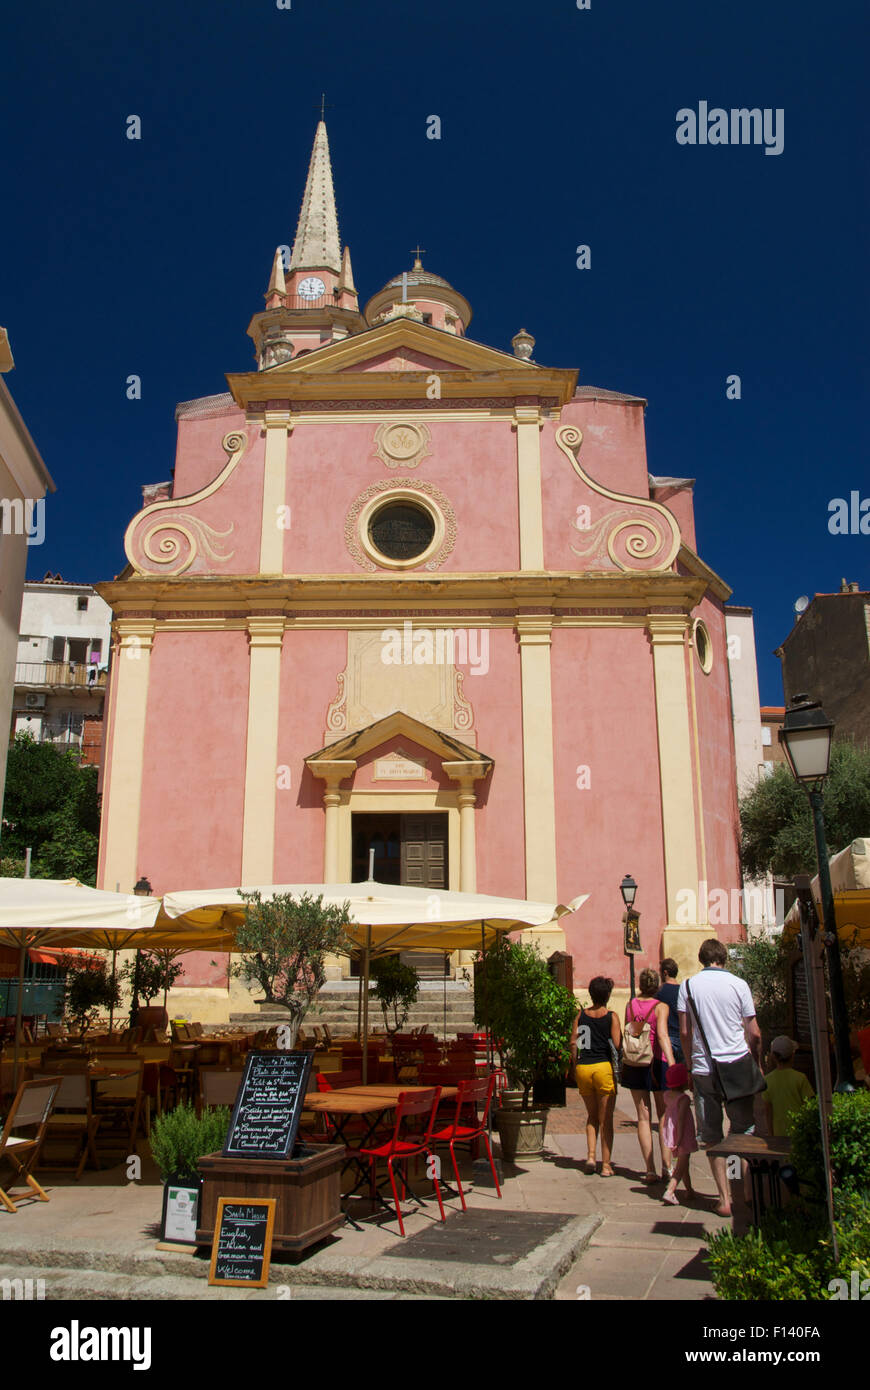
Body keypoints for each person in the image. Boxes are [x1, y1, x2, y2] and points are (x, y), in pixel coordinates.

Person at [678, 938, 762, 1218]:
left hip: (704, 1069)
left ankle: (724, 1198)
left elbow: (686, 1033)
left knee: (712, 1135)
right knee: (743, 1130)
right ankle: (745, 1192)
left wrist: (690, 1067)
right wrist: (757, 1062)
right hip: (737, 1065)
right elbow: (754, 1032)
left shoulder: (687, 986)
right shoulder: (740, 985)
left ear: (702, 959)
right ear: (723, 958)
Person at [622, 968, 675, 1183]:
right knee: (663, 1115)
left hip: (636, 1063)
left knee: (643, 1116)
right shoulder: (661, 1007)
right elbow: (662, 1035)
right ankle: (667, 1166)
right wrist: (672, 1063)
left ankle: (649, 1169)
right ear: (657, 986)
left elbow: (632, 1030)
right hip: (656, 1064)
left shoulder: (630, 1005)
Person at [571, 976, 622, 1176]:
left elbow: (574, 1043)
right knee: (606, 1119)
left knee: (591, 1116)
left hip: (584, 1068)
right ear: (607, 995)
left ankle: (591, 1157)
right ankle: (606, 1165)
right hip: (603, 1068)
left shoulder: (580, 1015)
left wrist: (575, 1066)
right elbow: (617, 1045)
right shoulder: (612, 1016)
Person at [660, 1062, 697, 1205]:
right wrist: (680, 1137)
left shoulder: (667, 1095)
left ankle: (689, 1189)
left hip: (671, 1132)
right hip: (683, 1134)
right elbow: (681, 1119)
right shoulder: (684, 1099)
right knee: (681, 1165)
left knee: (683, 1163)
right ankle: (670, 1190)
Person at [763, 1036, 814, 1137]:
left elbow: (768, 1110)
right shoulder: (800, 1078)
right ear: (793, 1055)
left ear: (773, 1056)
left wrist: (770, 1133)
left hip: (778, 1133)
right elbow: (809, 1105)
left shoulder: (767, 1080)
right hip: (799, 1131)